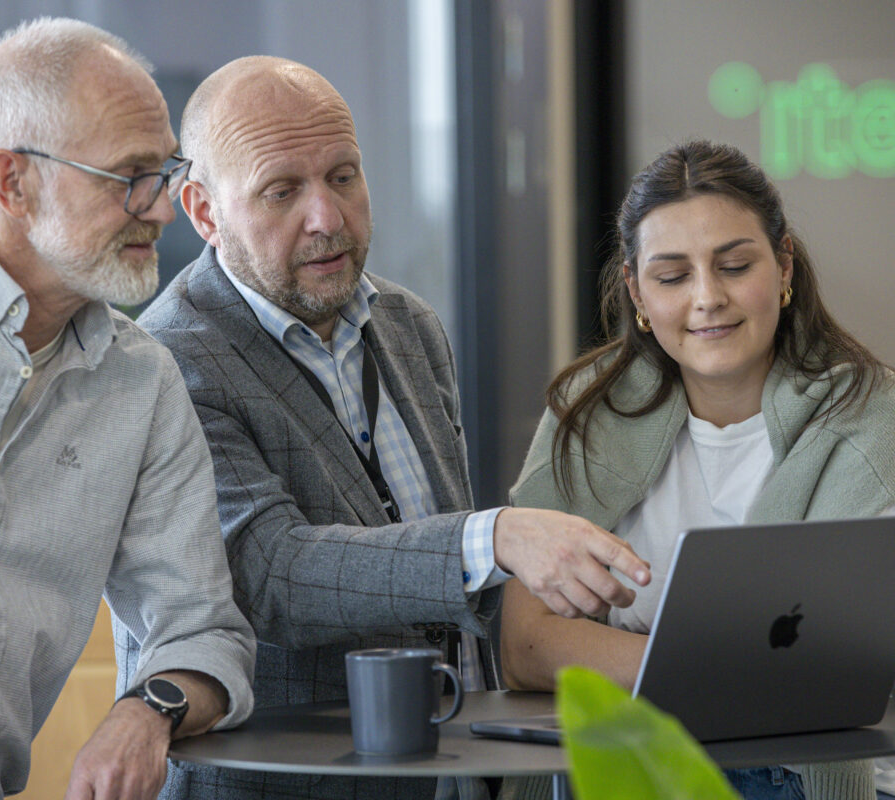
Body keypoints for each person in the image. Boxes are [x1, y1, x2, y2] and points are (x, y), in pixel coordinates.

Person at [127, 55, 651, 800]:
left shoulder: (409, 326)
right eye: (283, 190)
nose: (328, 218)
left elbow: (433, 586)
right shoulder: (168, 361)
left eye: (344, 176)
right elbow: (272, 574)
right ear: (205, 211)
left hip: (447, 770)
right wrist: (495, 538)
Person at [0, 18, 255, 800]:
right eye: (129, 176)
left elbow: (203, 629)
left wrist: (147, 708)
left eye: (166, 172)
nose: (161, 209)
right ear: (13, 182)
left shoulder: (144, 381)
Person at [499, 141, 895, 800]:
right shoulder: (588, 410)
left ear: (784, 264)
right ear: (638, 295)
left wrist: (626, 655)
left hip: (800, 774)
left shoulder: (868, 410)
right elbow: (524, 647)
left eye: (734, 266)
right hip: (635, 759)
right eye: (673, 277)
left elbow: (836, 664)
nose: (707, 298)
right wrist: (720, 668)